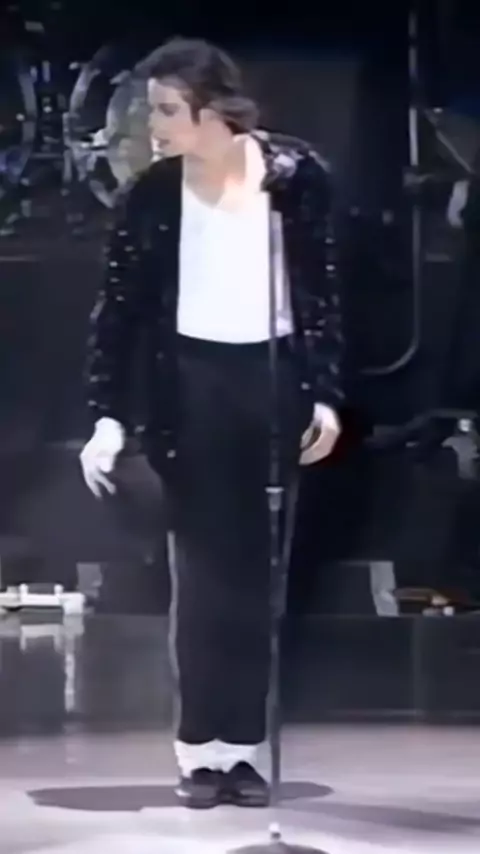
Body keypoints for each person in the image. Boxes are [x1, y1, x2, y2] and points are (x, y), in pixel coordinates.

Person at [80, 37, 344, 809]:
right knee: (200, 577)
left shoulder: (294, 177)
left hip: (271, 380)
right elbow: (118, 316)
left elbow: (324, 294)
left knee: (258, 577)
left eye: (167, 110)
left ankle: (247, 750)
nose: (154, 126)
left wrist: (326, 396)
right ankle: (201, 750)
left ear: (214, 110)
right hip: (189, 387)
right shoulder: (152, 195)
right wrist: (107, 416)